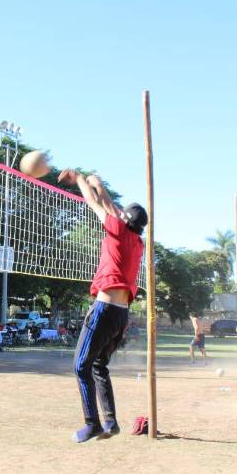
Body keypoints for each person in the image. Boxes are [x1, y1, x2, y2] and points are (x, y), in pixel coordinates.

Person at [58, 170, 147, 443]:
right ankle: (110, 421)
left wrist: (82, 180)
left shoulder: (118, 231)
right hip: (120, 316)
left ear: (125, 220)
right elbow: (115, 209)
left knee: (80, 366)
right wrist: (101, 185)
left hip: (104, 311)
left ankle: (92, 424)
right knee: (98, 366)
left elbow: (96, 205)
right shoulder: (137, 241)